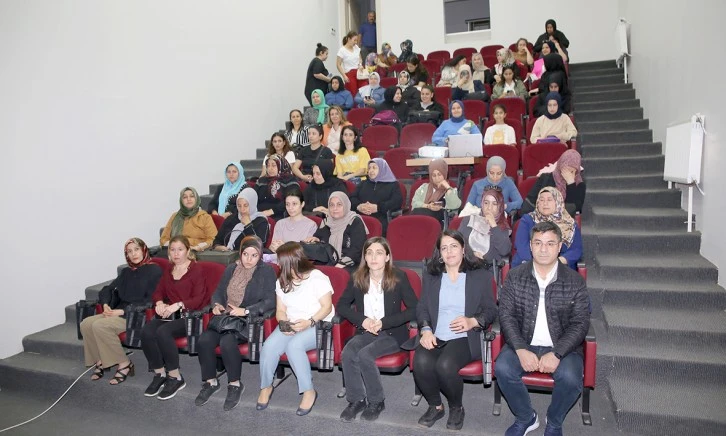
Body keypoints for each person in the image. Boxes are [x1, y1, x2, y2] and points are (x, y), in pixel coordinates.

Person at [497, 221, 589, 436]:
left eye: (550, 243)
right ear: (530, 246)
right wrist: (520, 349)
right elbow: (506, 315)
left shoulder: (574, 281)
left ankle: (554, 421)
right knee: (503, 368)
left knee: (570, 378)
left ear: (559, 247)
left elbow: (580, 323)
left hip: (561, 346)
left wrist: (557, 353)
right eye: (538, 243)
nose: (543, 249)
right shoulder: (515, 276)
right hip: (524, 342)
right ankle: (526, 417)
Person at [414, 230, 497, 430]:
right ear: (439, 253)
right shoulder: (432, 276)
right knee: (421, 362)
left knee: (445, 365)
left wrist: (472, 321)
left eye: (453, 246)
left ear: (463, 249)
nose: (449, 252)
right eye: (444, 248)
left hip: (464, 336)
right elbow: (422, 307)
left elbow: (491, 310)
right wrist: (426, 329)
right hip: (436, 333)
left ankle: (456, 407)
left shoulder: (480, 276)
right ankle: (436, 405)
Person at [337, 237, 419, 422]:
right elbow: (341, 306)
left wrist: (384, 322)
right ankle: (356, 400)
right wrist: (363, 320)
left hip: (391, 333)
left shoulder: (398, 277)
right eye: (369, 253)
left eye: (379, 253)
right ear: (365, 257)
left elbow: (415, 309)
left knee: (365, 355)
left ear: (387, 257)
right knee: (348, 352)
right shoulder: (357, 277)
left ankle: (376, 401)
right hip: (366, 331)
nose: (374, 257)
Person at [195, 236, 276, 411]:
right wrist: (217, 304)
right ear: (240, 253)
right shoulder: (231, 268)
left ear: (260, 255)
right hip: (226, 317)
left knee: (227, 342)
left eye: (254, 255)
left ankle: (235, 384)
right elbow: (218, 291)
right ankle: (210, 382)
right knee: (204, 341)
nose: (249, 259)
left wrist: (245, 311)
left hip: (248, 320)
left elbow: (271, 301)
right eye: (245, 254)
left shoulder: (266, 271)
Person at [256, 242, 334, 415]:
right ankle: (266, 386)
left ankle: (308, 391)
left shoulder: (317, 277)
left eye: (280, 261)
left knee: (294, 346)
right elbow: (280, 310)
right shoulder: (282, 280)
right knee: (269, 346)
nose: (277, 264)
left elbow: (327, 307)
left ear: (293, 261)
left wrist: (309, 322)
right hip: (291, 323)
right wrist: (283, 323)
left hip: (318, 323)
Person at [81, 238, 162, 385]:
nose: (133, 254)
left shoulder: (154, 270)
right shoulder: (126, 272)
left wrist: (122, 311)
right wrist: (105, 304)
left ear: (144, 250)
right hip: (119, 312)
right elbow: (108, 289)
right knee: (86, 323)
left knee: (100, 326)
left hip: (138, 314)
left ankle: (125, 364)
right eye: (129, 251)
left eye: (136, 249)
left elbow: (152, 299)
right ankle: (100, 360)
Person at [142, 235, 207, 400]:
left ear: (188, 251)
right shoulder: (169, 269)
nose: (176, 253)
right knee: (147, 331)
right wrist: (159, 303)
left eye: (180, 249)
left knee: (163, 332)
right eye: (172, 250)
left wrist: (178, 304)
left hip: (191, 316)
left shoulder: (196, 269)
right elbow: (158, 292)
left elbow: (199, 299)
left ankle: (175, 377)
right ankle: (159, 373)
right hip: (171, 315)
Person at [513, 187, 583, 270]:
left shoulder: (570, 224)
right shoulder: (528, 220)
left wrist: (556, 262)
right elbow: (522, 246)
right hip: (529, 263)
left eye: (549, 200)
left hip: (560, 265)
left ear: (558, 202)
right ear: (537, 203)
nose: (545, 203)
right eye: (541, 200)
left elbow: (576, 250)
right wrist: (540, 263)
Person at [305, 192, 368, 269]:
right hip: (327, 262)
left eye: (339, 204)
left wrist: (341, 264)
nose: (335, 208)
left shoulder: (354, 221)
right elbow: (318, 239)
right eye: (332, 205)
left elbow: (357, 250)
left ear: (346, 205)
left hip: (349, 264)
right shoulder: (326, 222)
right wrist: (315, 239)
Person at [520, 149, 586, 215]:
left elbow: (575, 208)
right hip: (540, 216)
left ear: (577, 171)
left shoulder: (580, 185)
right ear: (560, 166)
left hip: (564, 219)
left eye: (571, 171)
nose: (568, 174)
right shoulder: (545, 178)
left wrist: (571, 183)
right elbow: (530, 201)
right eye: (565, 170)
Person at [351, 158, 403, 235]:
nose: (371, 170)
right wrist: (359, 206)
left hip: (381, 217)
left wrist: (378, 207)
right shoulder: (363, 183)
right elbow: (352, 198)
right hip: (360, 217)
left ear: (382, 169)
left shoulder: (393, 185)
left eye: (374, 168)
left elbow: (397, 202)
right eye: (369, 168)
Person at [458, 189, 512, 261]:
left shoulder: (502, 226)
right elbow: (458, 242)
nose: (489, 207)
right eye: (486, 203)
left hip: (488, 266)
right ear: (482, 204)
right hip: (466, 262)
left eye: (494, 204)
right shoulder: (469, 220)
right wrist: (472, 254)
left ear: (500, 206)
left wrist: (494, 225)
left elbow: (504, 251)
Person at [160, 187, 217, 252]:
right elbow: (163, 239)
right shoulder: (175, 216)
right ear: (181, 201)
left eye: (192, 196)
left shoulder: (205, 217)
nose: (188, 199)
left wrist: (198, 247)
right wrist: (175, 246)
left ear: (196, 199)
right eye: (185, 197)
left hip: (196, 251)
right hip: (175, 251)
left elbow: (212, 239)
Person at [255, 155, 300, 220]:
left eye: (273, 165)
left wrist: (271, 211)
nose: (270, 168)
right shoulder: (261, 181)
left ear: (281, 166)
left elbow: (291, 199)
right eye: (268, 166)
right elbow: (253, 198)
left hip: (280, 215)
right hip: (259, 214)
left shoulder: (289, 180)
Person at [337, 31, 363, 96]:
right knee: (353, 93)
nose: (356, 42)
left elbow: (360, 59)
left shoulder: (356, 47)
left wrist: (360, 65)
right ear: (349, 39)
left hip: (359, 72)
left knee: (363, 90)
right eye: (354, 40)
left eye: (357, 40)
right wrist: (344, 76)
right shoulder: (342, 50)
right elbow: (338, 64)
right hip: (349, 74)